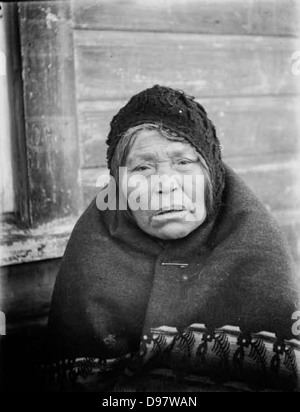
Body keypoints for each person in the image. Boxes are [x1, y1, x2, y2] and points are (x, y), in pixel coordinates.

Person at [47, 85, 300, 392]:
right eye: (142, 167)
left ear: (213, 176)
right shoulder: (92, 248)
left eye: (183, 162)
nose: (165, 184)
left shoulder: (256, 245)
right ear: (118, 185)